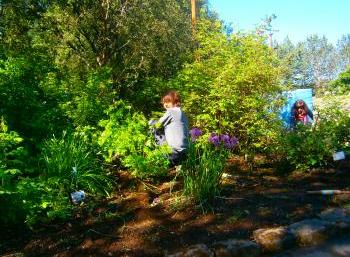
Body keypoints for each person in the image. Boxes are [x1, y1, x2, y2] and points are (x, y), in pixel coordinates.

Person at [152, 91, 189, 167]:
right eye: (164, 102)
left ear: (175, 102)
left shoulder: (171, 111)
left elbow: (157, 124)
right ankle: (179, 165)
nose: (165, 105)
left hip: (174, 153)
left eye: (168, 102)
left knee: (153, 124)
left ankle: (157, 159)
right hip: (185, 153)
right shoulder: (183, 114)